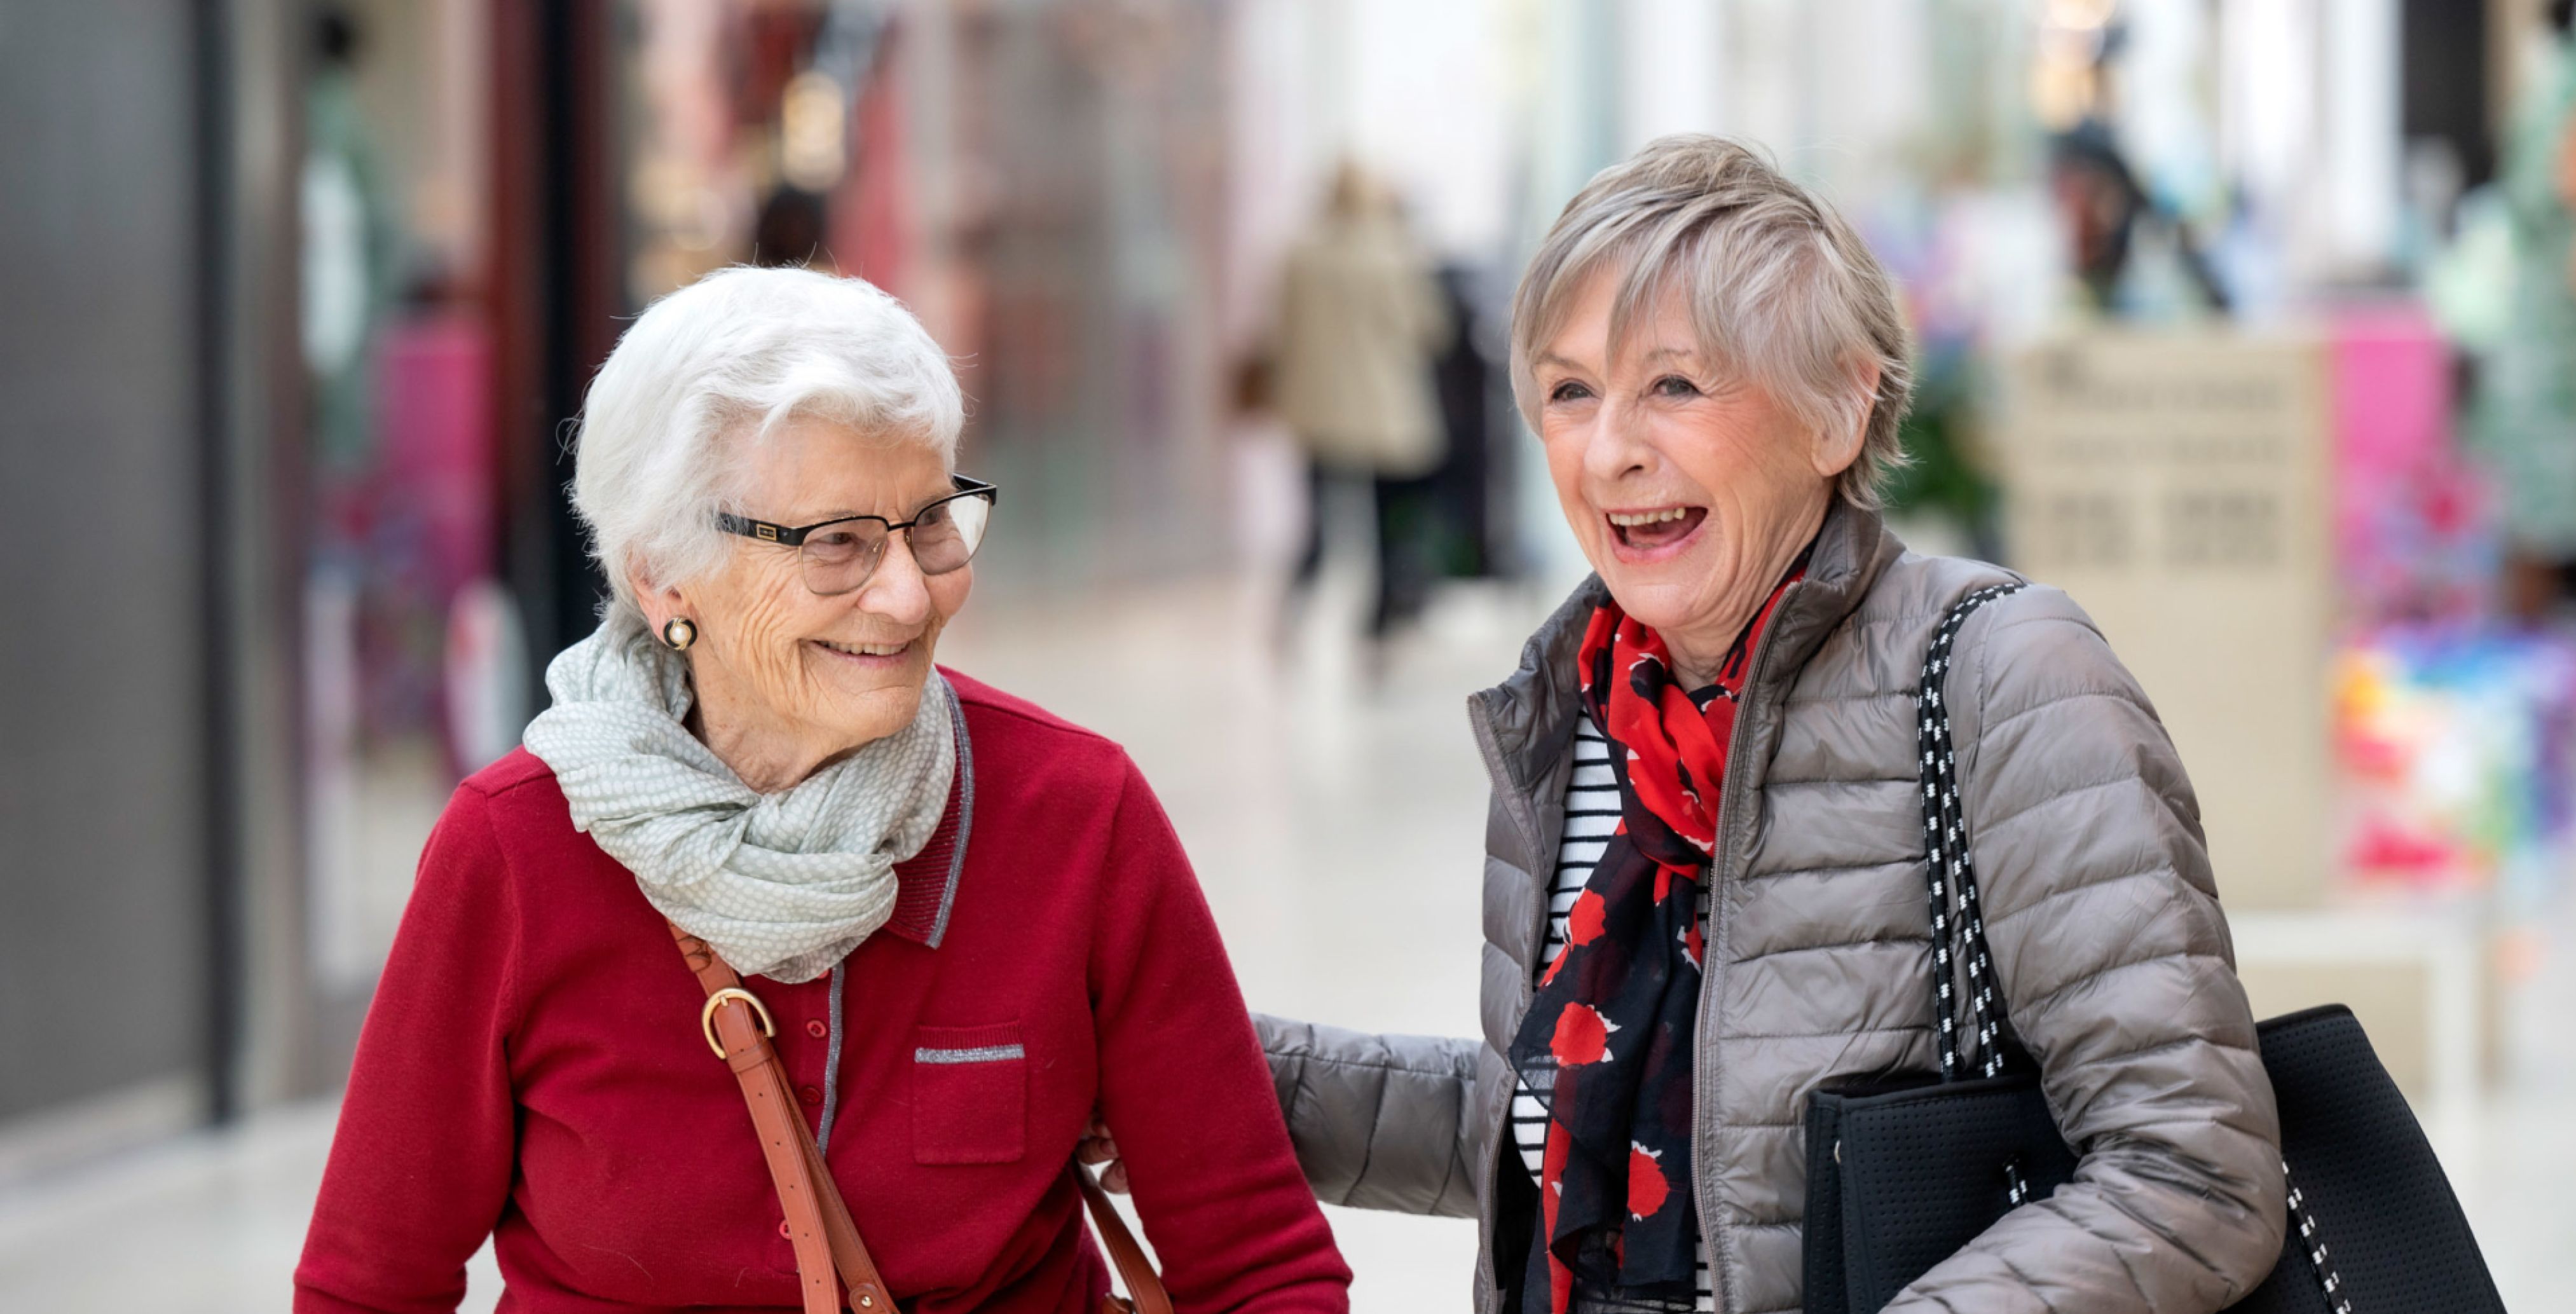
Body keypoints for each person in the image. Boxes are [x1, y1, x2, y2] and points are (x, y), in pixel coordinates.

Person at [1238, 137, 2287, 1313]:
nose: (1610, 450)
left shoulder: (2004, 678)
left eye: (1674, 386)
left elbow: (2190, 1170)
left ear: (1837, 407)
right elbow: (1571, 1125)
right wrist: (1199, 1066)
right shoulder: (1576, 715)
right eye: (1569, 390)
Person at [294, 266, 1351, 1313]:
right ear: (663, 573)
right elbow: (367, 1286)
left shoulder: (1072, 815)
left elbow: (1257, 1264)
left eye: (931, 521)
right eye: (835, 543)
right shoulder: (515, 849)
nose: (906, 594)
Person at [1270, 160, 1455, 651]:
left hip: (1317, 413)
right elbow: (1430, 330)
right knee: (1386, 531)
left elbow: (1282, 332)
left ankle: (1291, 615)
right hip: (1382, 412)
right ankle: (1376, 633)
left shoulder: (1300, 256)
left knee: (1316, 530)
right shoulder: (1394, 254)